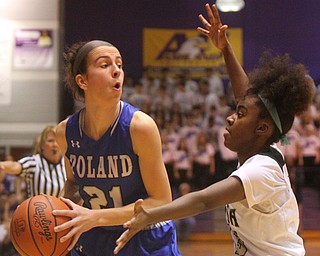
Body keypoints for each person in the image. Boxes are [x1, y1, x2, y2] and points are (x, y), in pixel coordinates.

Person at [114, 4, 314, 256]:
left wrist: (149, 216)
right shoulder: (266, 148)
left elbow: (203, 200)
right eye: (236, 110)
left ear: (262, 128)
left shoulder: (262, 170)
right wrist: (225, 48)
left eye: (239, 115)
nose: (230, 118)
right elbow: (247, 97)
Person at [53, 40, 181, 255]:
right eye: (105, 65)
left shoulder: (140, 127)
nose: (117, 71)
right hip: (94, 234)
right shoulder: (65, 132)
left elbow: (161, 201)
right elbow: (73, 182)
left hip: (144, 236)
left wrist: (95, 216)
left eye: (119, 65)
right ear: (82, 80)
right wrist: (64, 214)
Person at [0, 125, 66, 198]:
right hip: (38, 208)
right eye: (50, 141)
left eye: (58, 141)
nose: (55, 144)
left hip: (63, 208)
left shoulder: (68, 164)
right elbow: (16, 166)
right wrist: (2, 165)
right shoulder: (34, 162)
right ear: (42, 145)